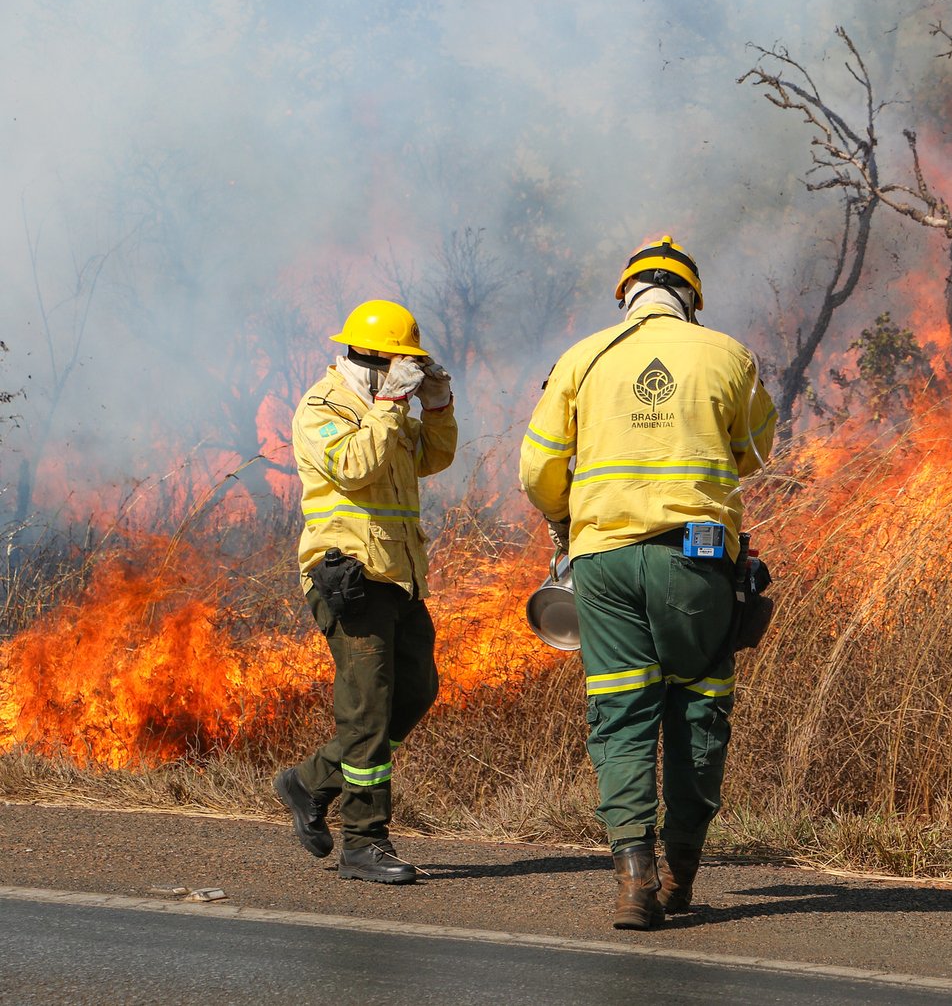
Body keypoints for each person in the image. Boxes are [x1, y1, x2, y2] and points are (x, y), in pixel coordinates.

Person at [520, 235, 776, 929]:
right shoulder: (728, 354)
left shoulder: (581, 358)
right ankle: (680, 877)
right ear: (691, 299)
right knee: (698, 706)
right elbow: (756, 449)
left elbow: (538, 469)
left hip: (602, 564)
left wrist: (566, 521)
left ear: (626, 296)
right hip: (695, 559)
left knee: (621, 713)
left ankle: (635, 883)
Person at [273, 298, 457, 885]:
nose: (407, 371)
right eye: (401, 363)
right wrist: (390, 404)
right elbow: (354, 466)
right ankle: (364, 841)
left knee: (417, 689)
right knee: (368, 711)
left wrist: (437, 404)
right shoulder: (323, 406)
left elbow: (433, 458)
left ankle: (309, 781)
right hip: (349, 576)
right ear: (370, 357)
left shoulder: (387, 408)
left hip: (398, 574)